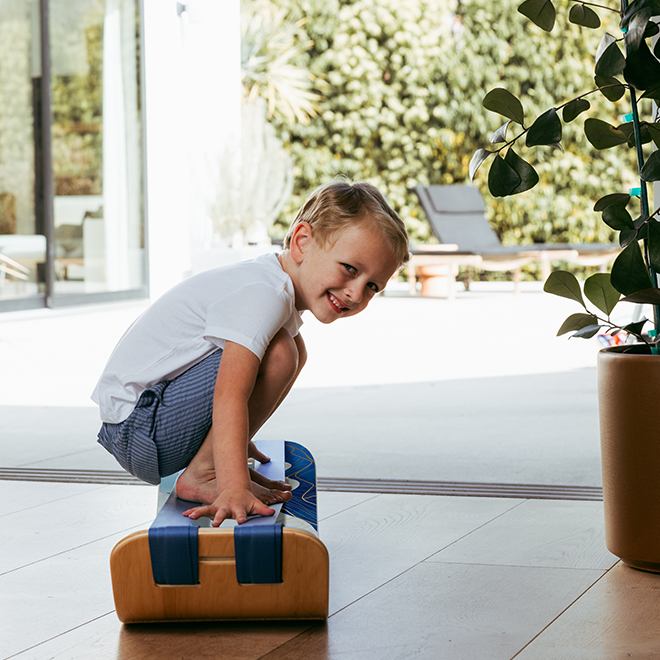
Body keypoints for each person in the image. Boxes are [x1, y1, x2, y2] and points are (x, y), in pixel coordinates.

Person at [92, 180, 409, 526]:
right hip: (137, 427)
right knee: (282, 353)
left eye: (372, 286)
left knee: (293, 350)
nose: (355, 293)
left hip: (147, 422)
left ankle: (213, 465)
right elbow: (230, 394)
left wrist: (234, 444)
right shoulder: (264, 293)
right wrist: (234, 485)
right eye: (350, 268)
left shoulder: (272, 285)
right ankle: (204, 474)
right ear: (303, 241)